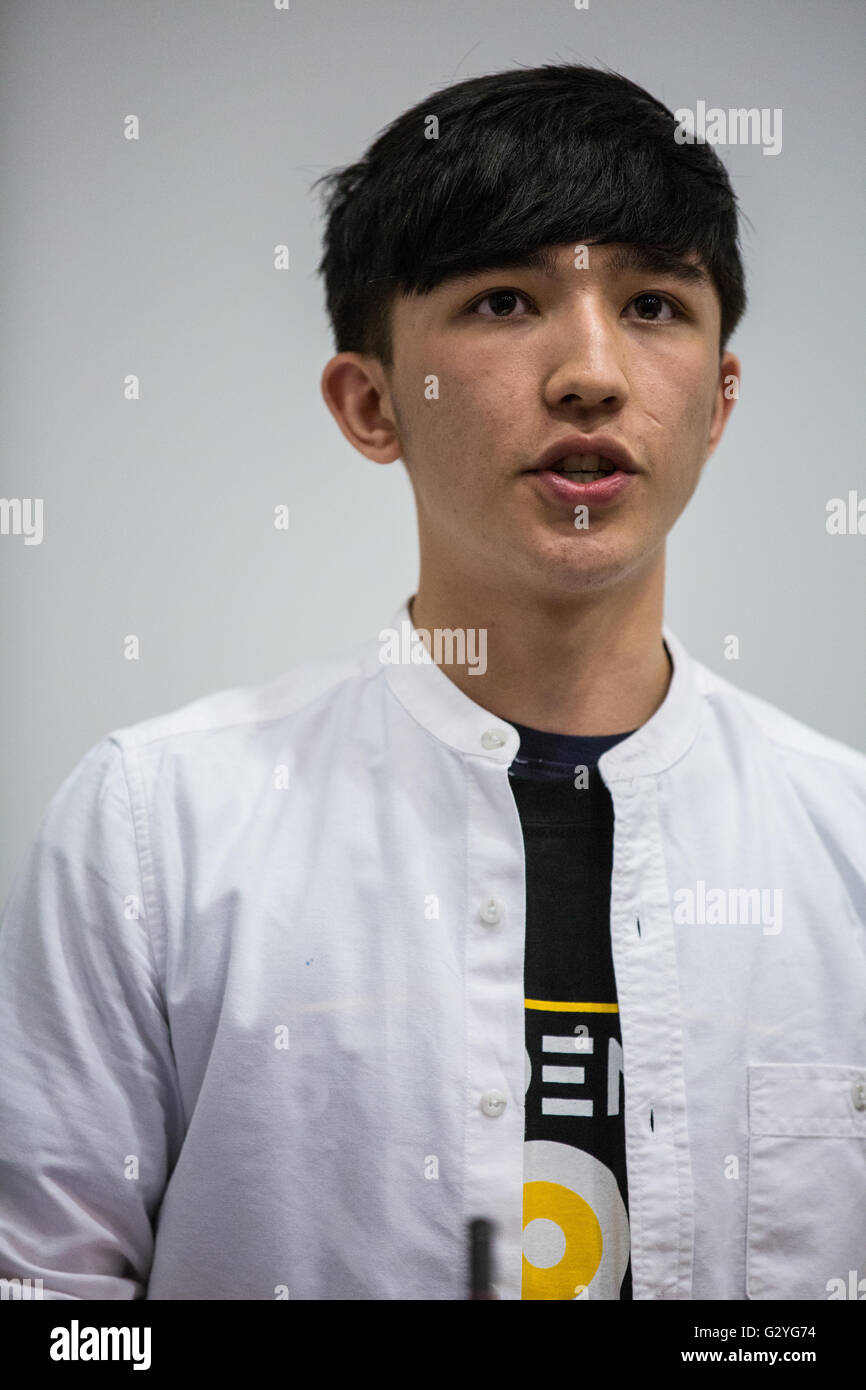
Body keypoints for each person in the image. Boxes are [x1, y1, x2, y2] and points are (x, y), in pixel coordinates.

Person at [1, 62, 864, 1302]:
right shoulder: (156, 831)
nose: (590, 374)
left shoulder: (843, 847)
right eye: (505, 299)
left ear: (717, 400)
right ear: (369, 402)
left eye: (654, 305)